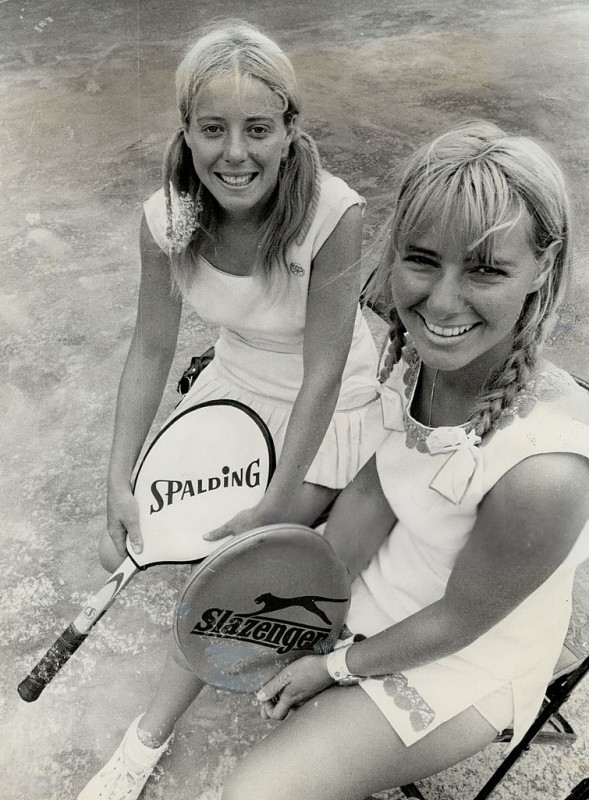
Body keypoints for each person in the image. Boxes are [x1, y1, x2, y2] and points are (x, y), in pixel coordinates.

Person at [216, 121, 589, 800]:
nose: (440, 303)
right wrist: (318, 597)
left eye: (484, 269)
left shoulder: (547, 471)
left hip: (467, 650)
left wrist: (331, 668)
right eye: (422, 260)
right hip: (402, 576)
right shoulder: (415, 355)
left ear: (542, 266)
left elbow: (459, 621)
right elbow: (377, 485)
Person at [78, 20, 385, 800]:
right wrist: (117, 479)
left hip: (334, 401)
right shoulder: (166, 218)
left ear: (290, 129)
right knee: (152, 534)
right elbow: (150, 350)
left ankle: (142, 740)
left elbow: (321, 372)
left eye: (257, 129)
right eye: (212, 129)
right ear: (186, 130)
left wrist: (277, 506)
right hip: (235, 389)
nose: (235, 153)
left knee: (230, 569)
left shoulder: (332, 212)